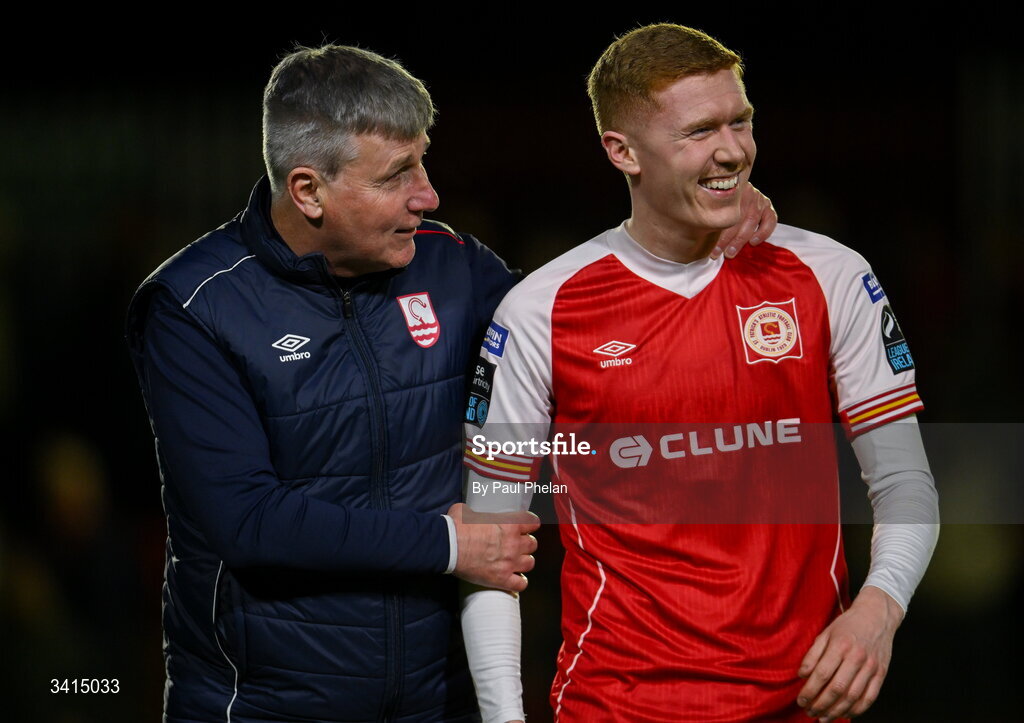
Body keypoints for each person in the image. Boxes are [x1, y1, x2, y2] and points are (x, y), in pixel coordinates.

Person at [125, 44, 773, 722]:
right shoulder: (194, 307)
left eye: (422, 160)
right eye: (396, 174)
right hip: (259, 704)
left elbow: (591, 340)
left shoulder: (453, 266)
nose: (427, 194)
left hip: (439, 701)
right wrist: (449, 543)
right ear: (309, 190)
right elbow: (246, 520)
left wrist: (704, 215)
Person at [461, 24, 939, 723]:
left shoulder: (830, 275)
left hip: (805, 701)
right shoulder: (542, 310)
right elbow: (489, 545)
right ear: (622, 151)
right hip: (617, 704)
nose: (732, 150)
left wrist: (878, 609)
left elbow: (903, 480)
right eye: (698, 131)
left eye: (740, 121)